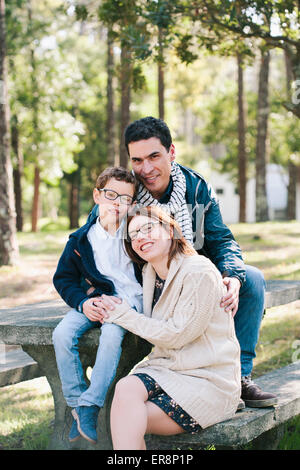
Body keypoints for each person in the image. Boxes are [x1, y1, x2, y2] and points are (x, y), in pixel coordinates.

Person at [88, 116, 277, 408]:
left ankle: (237, 377)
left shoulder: (196, 188)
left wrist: (233, 277)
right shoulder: (123, 191)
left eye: (154, 156)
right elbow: (91, 239)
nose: (146, 169)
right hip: (144, 279)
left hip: (193, 276)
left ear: (171, 152)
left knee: (250, 279)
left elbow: (222, 239)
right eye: (137, 160)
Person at [97, 205, 241, 450]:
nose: (140, 237)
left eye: (148, 228)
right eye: (134, 235)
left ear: (170, 229)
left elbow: (177, 335)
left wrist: (123, 315)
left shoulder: (199, 271)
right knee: (125, 389)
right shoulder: (150, 272)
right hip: (168, 370)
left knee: (125, 417)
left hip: (208, 379)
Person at [52, 167, 143, 445]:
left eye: (126, 198)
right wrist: (84, 302)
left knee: (112, 335)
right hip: (96, 301)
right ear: (97, 195)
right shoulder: (81, 240)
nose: (117, 203)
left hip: (131, 303)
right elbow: (64, 278)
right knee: (62, 334)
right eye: (111, 194)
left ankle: (91, 405)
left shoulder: (135, 232)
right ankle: (77, 403)